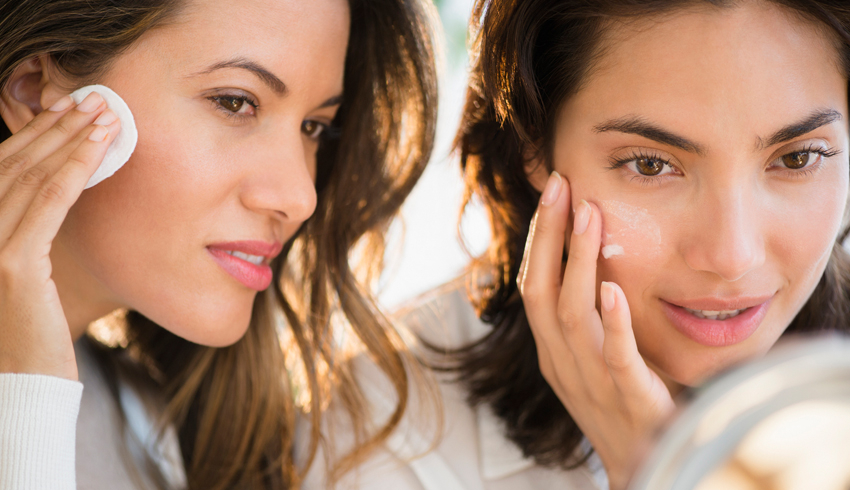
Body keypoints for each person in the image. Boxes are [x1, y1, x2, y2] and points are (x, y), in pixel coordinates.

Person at [322, 0, 850, 489]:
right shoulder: (385, 436)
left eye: (798, 159)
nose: (733, 256)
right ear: (535, 148)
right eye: (650, 165)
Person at [0, 0, 436, 488]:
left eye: (313, 127)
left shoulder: (159, 434)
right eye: (235, 102)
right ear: (36, 93)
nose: (300, 197)